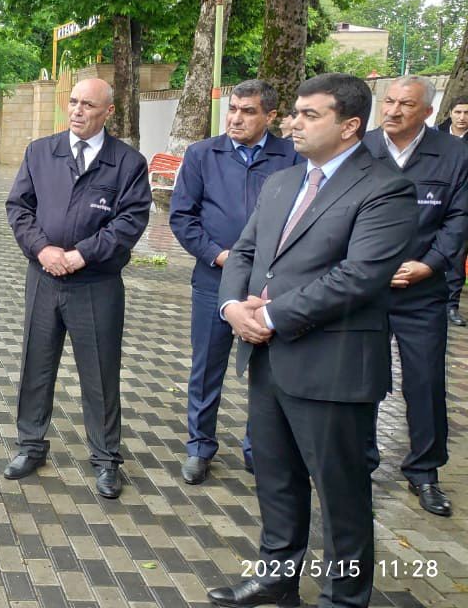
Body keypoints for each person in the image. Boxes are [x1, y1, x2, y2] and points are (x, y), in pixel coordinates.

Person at [208, 73, 416, 608]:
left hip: (333, 366)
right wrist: (233, 306)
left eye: (308, 114)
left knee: (340, 494)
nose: (292, 122)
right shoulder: (283, 182)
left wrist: (273, 314)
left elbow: (360, 276)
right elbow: (246, 252)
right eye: (294, 112)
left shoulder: (386, 188)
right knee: (276, 480)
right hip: (267, 358)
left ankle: (344, 598)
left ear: (350, 126)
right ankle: (277, 579)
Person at [3, 78, 151, 499]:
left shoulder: (127, 163)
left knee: (100, 374)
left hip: (95, 283)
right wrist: (42, 249)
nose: (77, 111)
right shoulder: (40, 152)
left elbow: (129, 222)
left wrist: (83, 254)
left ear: (108, 111)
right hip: (44, 278)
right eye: (73, 102)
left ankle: (106, 459)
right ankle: (30, 445)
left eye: (88, 104)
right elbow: (19, 207)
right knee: (36, 364)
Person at [169, 80, 302, 485]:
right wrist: (221, 256)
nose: (236, 118)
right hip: (214, 278)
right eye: (233, 109)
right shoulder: (202, 154)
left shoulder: (293, 157)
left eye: (248, 111)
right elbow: (182, 217)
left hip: (270, 286)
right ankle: (198, 447)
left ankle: (257, 447)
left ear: (271, 116)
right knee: (206, 365)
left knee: (267, 370)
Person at [361, 76, 468, 517]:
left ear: (427, 112)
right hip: (364, 289)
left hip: (422, 289)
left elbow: (460, 218)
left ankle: (424, 471)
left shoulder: (455, 154)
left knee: (424, 382)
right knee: (360, 378)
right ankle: (358, 462)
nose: (394, 110)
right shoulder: (362, 149)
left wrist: (431, 263)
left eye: (407, 104)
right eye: (389, 101)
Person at [443, 96, 468, 327]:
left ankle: (451, 305)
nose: (462, 118)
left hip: (464, 206)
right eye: (458, 112)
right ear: (450, 112)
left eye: (467, 113)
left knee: (458, 257)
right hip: (438, 202)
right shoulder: (436, 136)